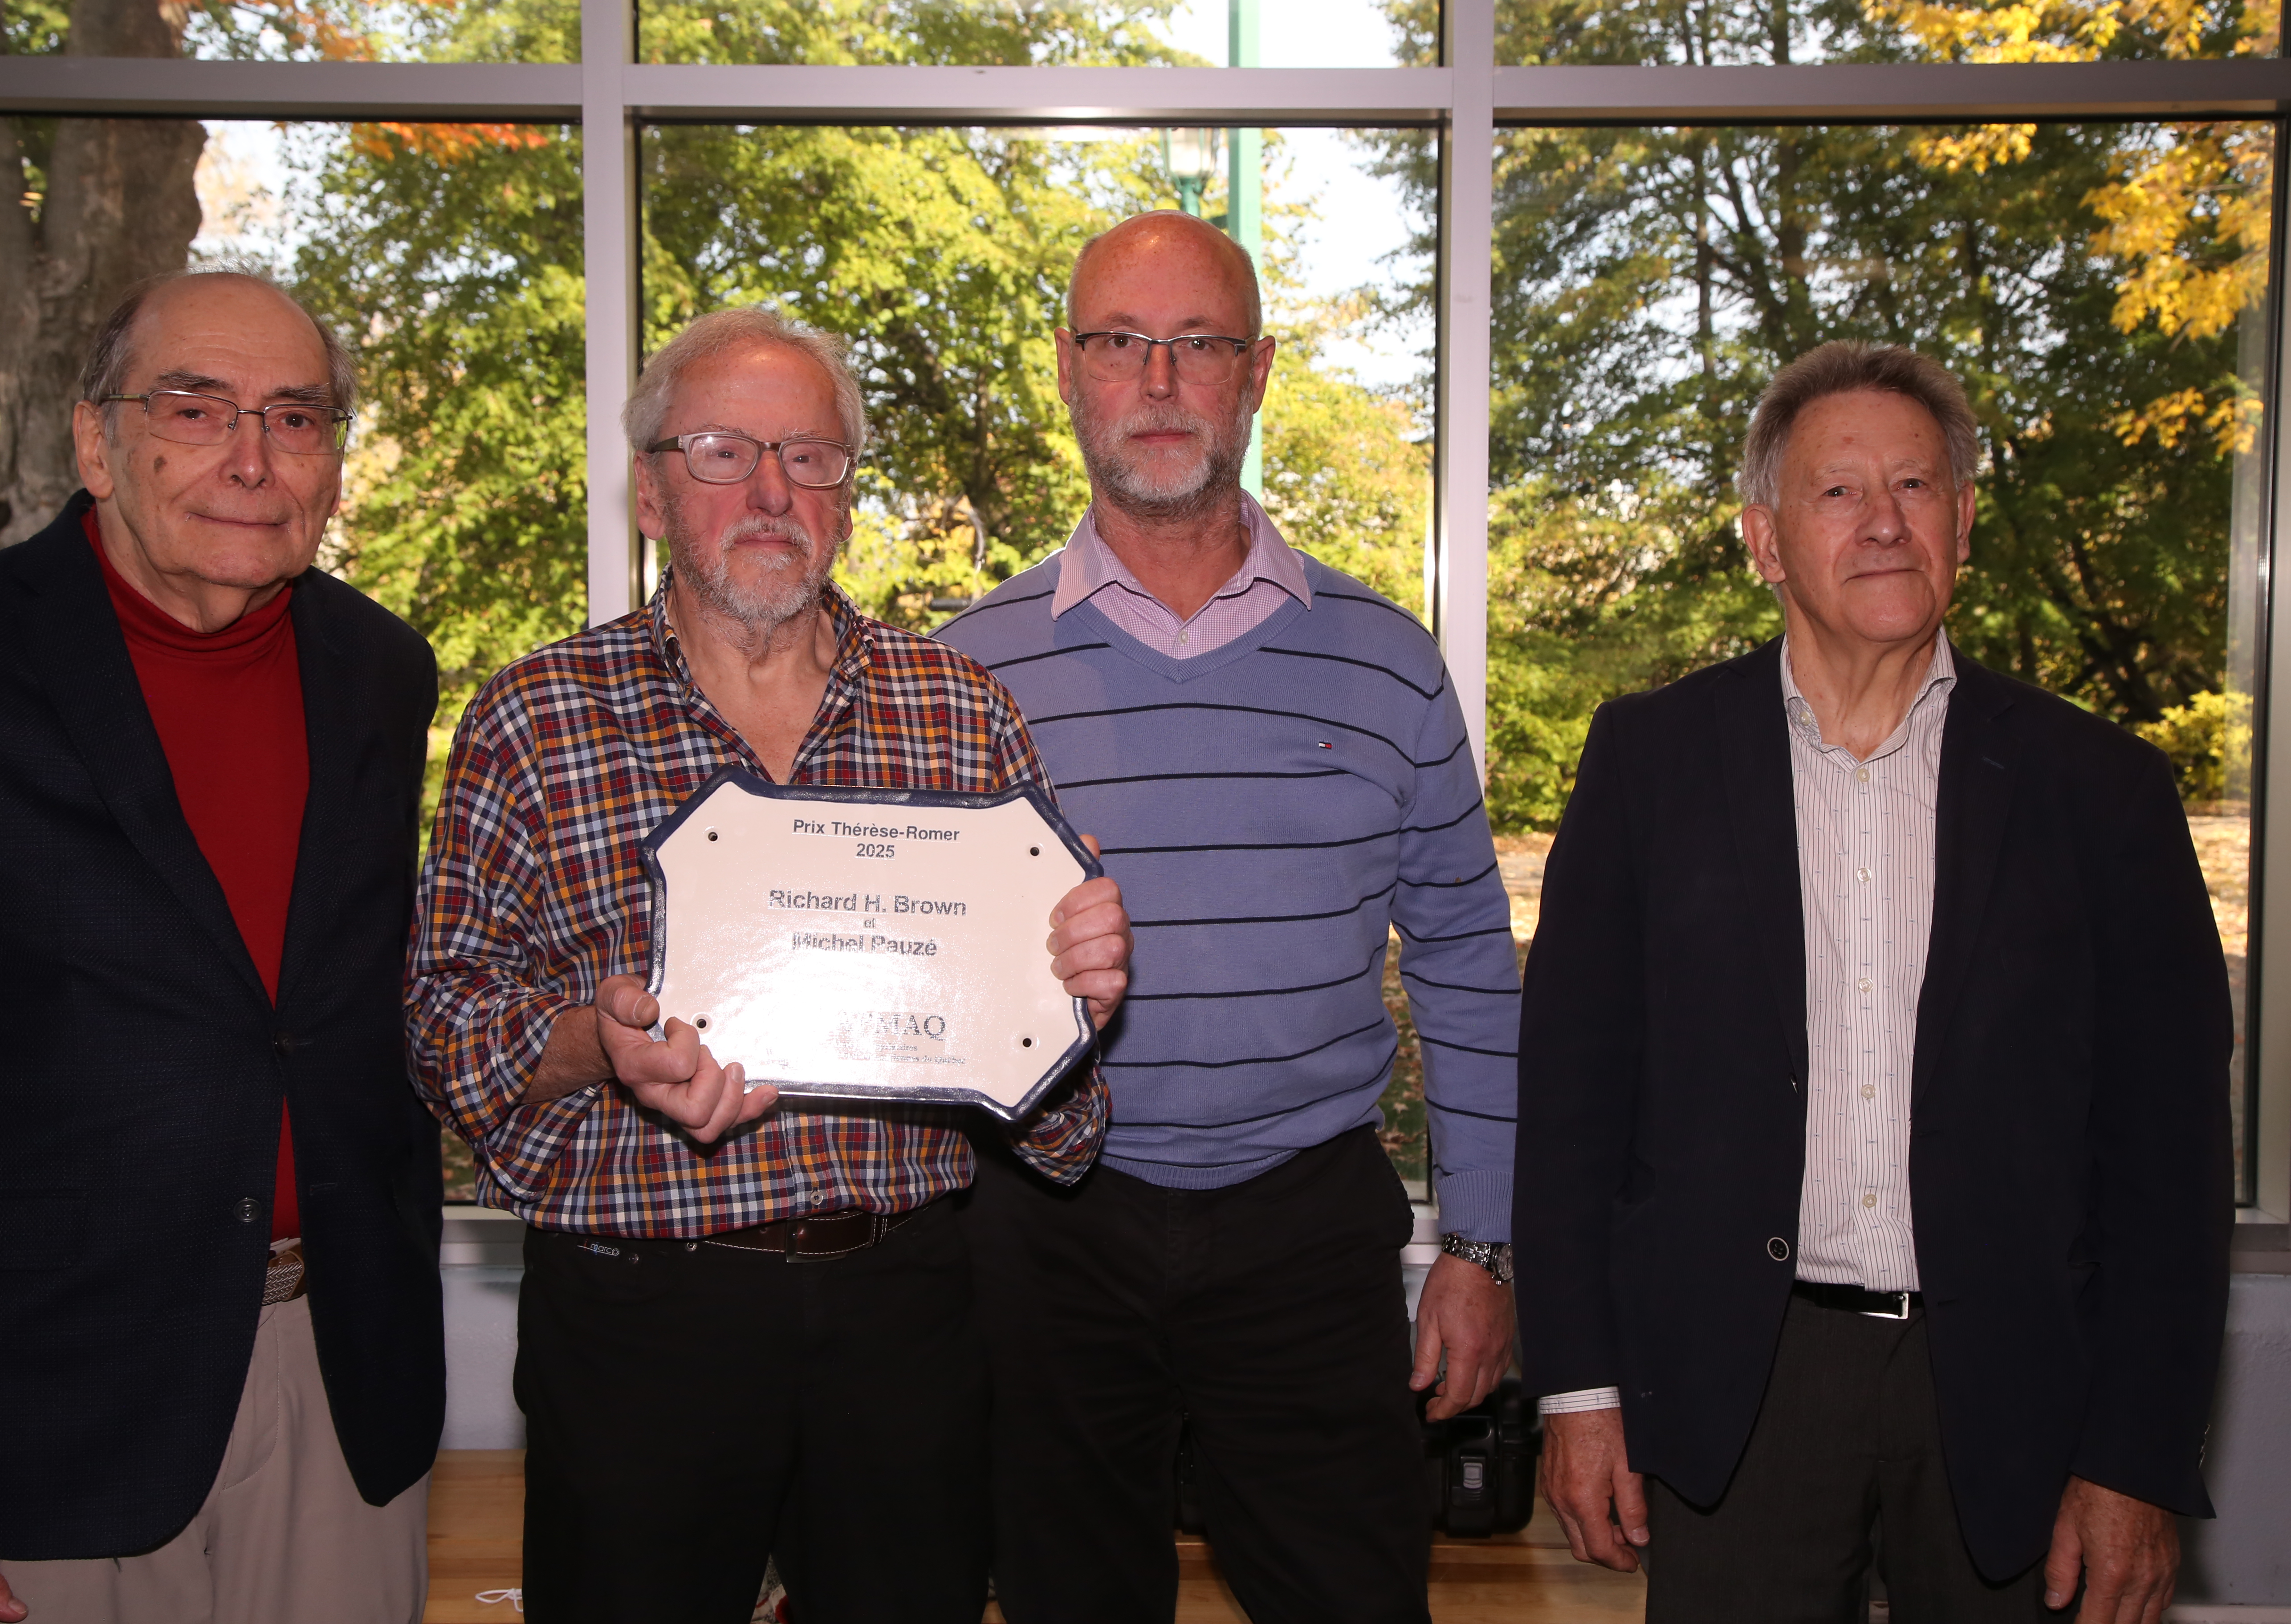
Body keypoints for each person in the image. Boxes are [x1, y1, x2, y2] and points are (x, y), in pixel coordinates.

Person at [405, 305, 1132, 1624]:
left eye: (812, 457)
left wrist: (1074, 1005)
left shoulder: (958, 709)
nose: (773, 492)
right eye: (724, 451)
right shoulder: (532, 715)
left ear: (849, 499)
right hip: (640, 1320)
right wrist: (592, 1045)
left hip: (906, 1311)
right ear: (649, 492)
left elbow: (1062, 1127)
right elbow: (444, 1024)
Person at [1514, 340, 2234, 1624]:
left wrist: (2135, 1455)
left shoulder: (2101, 792)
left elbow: (2170, 1163)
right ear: (1766, 540)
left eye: (1916, 486)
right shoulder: (1649, 764)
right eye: (1838, 492)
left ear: (1962, 523)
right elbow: (1572, 1109)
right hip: (1742, 1386)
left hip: (2018, 1394)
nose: (1885, 522)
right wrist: (1577, 1392)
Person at [933, 209, 1521, 1623]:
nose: (1157, 379)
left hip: (1305, 1231)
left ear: (1255, 374)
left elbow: (1467, 967)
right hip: (1048, 1225)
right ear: (1068, 371)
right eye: (1120, 343)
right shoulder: (961, 669)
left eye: (1195, 344)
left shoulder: (1387, 662)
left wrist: (1488, 1251)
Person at [0, 271, 444, 1624]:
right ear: (93, 441)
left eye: (297, 419)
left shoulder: (379, 672)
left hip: (339, 1382)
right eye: (197, 408)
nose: (252, 458)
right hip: (27, 1426)